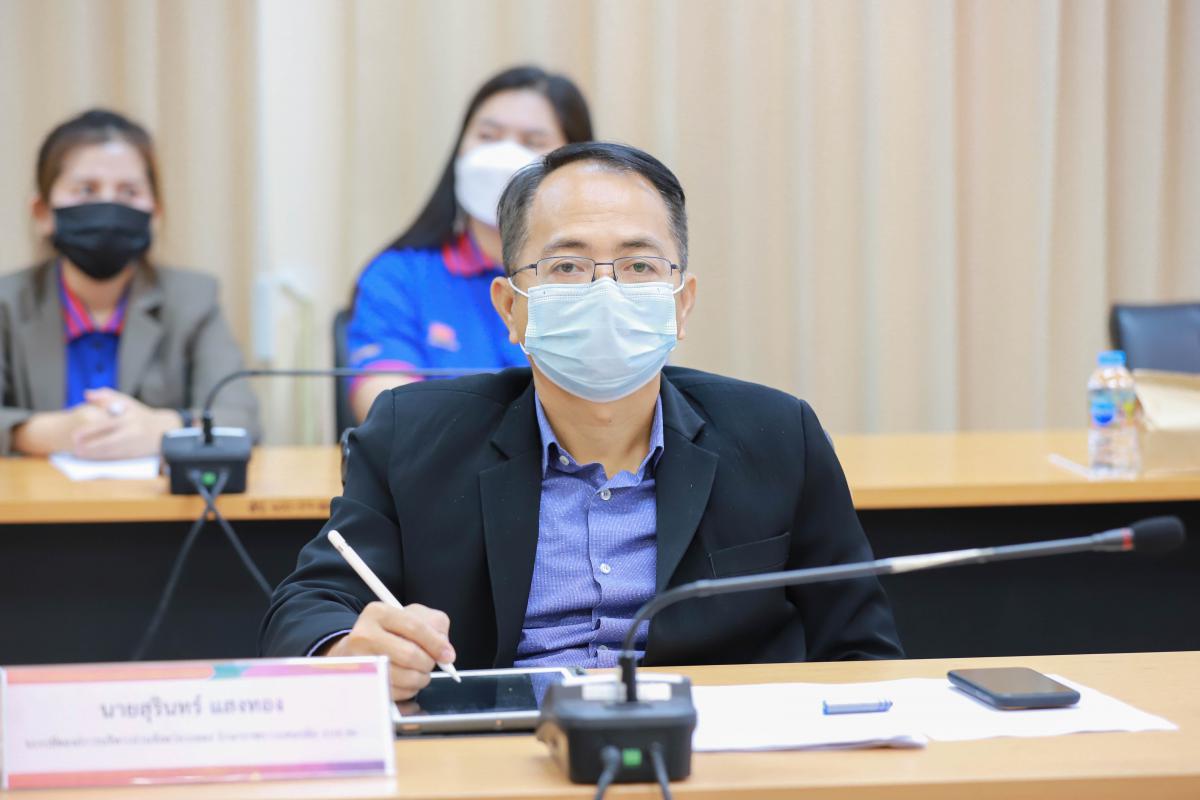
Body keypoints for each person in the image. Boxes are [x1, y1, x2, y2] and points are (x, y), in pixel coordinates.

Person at [262, 142, 903, 700]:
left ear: (681, 304)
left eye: (639, 266)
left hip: (712, 754)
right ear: (510, 308)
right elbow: (306, 606)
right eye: (567, 266)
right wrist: (346, 646)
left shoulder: (778, 435)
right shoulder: (412, 434)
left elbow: (864, 650)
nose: (605, 291)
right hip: (500, 752)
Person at [0, 109, 259, 457]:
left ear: (155, 212)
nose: (108, 205)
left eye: (129, 191)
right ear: (43, 212)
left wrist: (162, 428)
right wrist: (47, 433)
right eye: (86, 189)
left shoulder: (194, 299)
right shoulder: (7, 303)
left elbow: (241, 417)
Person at [346, 65, 593, 422]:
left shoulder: (601, 280)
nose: (503, 156)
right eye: (488, 136)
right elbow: (388, 409)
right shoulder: (398, 276)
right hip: (440, 458)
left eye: (532, 142)